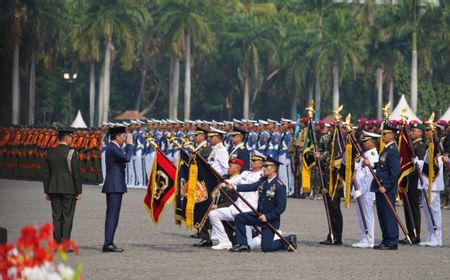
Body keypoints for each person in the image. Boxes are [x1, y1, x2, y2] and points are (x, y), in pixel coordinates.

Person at [227, 156, 296, 252]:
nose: (264, 168)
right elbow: (251, 186)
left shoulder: (279, 185)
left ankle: (288, 240)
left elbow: (281, 207)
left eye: (266, 166)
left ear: (273, 168)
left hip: (269, 220)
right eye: (264, 166)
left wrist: (267, 217)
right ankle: (242, 244)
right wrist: (235, 187)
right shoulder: (263, 180)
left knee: (266, 248)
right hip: (258, 214)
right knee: (239, 217)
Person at [209, 153, 264, 250]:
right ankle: (224, 241)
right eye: (252, 160)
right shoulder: (246, 173)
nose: (251, 162)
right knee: (213, 214)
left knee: (248, 244)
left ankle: (264, 238)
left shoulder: (262, 177)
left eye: (254, 161)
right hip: (236, 206)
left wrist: (235, 187)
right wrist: (218, 183)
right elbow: (232, 181)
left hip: (248, 209)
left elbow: (250, 187)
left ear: (260, 163)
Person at [43, 128, 82, 245]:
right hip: (69, 189)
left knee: (56, 217)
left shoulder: (49, 153)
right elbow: (76, 174)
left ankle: (56, 243)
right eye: (71, 137)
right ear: (67, 138)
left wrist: (46, 191)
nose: (71, 139)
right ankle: (64, 244)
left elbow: (46, 174)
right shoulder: (71, 153)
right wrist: (78, 191)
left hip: (53, 188)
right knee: (67, 217)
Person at [102, 126, 134, 253]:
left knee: (113, 215)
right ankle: (108, 243)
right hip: (114, 185)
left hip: (115, 185)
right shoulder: (113, 147)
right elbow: (127, 158)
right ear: (117, 137)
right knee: (112, 215)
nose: (124, 139)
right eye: (123, 136)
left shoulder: (114, 147)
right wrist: (130, 145)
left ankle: (109, 242)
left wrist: (127, 146)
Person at [417, 122, 447, 247]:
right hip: (426, 183)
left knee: (434, 212)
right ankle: (431, 236)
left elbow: (437, 165)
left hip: (433, 184)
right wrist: (418, 163)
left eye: (428, 130)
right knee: (428, 212)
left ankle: (437, 237)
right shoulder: (430, 146)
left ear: (434, 132)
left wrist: (419, 163)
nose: (426, 132)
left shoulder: (437, 147)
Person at [371, 124, 401, 250]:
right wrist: (372, 164)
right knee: (382, 214)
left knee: (388, 214)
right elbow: (383, 165)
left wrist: (387, 186)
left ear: (392, 135)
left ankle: (392, 241)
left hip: (386, 188)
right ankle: (386, 239)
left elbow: (395, 172)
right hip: (380, 186)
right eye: (382, 134)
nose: (383, 136)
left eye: (385, 134)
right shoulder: (386, 149)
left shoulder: (393, 150)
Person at [399, 122, 426, 245]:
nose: (411, 133)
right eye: (411, 131)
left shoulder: (419, 146)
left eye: (414, 131)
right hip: (409, 181)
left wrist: (406, 175)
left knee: (413, 207)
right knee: (408, 207)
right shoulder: (412, 145)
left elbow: (419, 167)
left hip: (414, 181)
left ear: (420, 133)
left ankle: (416, 234)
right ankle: (410, 233)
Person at [352, 131, 379, 248]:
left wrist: (361, 190)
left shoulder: (372, 155)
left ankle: (369, 240)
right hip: (360, 190)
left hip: (366, 191)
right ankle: (363, 238)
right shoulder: (365, 154)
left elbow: (370, 176)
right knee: (360, 215)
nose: (363, 143)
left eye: (365, 141)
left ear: (372, 142)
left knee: (367, 215)